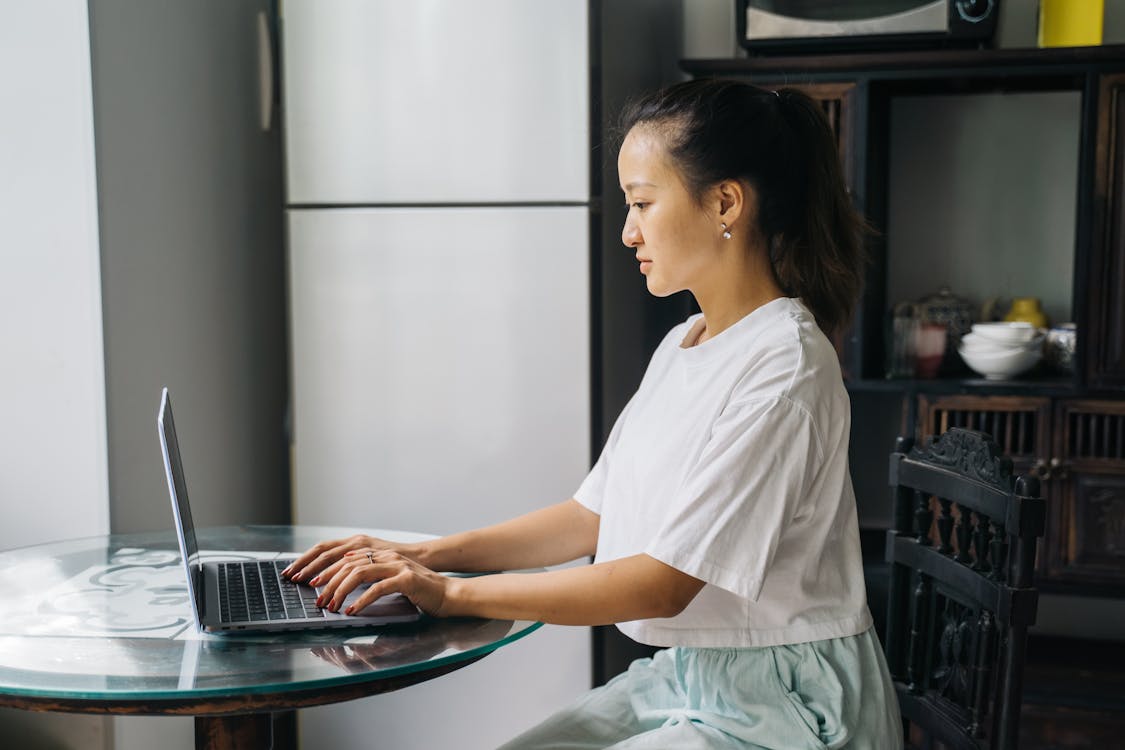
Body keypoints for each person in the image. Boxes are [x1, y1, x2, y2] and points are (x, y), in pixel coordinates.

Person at [282, 78, 902, 749]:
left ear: (724, 202)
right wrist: (422, 554)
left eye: (641, 202)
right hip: (690, 679)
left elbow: (662, 585)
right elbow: (591, 516)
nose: (628, 231)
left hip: (790, 705)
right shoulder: (685, 343)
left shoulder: (784, 365)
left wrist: (451, 594)